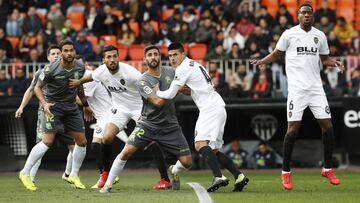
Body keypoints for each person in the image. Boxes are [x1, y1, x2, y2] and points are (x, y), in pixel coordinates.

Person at [250, 3, 343, 190]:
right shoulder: (289, 34)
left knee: (328, 127)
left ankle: (327, 168)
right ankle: (286, 172)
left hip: (316, 89)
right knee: (292, 130)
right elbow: (277, 54)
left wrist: (335, 63)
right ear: (298, 16)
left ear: (313, 16)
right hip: (297, 90)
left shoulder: (320, 36)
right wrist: (262, 61)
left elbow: (324, 60)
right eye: (303, 13)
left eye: (309, 12)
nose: (307, 15)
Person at [68, 46, 172, 190]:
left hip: (138, 108)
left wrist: (156, 97)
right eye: (109, 57)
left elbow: (146, 83)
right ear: (104, 60)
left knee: (152, 141)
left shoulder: (130, 73)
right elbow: (90, 77)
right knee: (106, 138)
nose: (112, 60)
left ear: (118, 57)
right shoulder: (101, 71)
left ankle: (165, 179)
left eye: (114, 56)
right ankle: (105, 173)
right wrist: (78, 82)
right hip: (120, 109)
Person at [98, 45, 192, 193]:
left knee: (187, 162)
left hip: (170, 126)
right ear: (144, 59)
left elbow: (187, 91)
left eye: (156, 54)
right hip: (148, 125)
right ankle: (107, 186)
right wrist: (174, 89)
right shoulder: (143, 80)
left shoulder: (171, 72)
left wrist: (181, 88)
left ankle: (173, 170)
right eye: (150, 55)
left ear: (160, 57)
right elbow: (157, 102)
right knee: (126, 151)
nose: (153, 57)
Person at [156, 42, 249, 192]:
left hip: (209, 109)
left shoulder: (183, 68)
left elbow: (169, 94)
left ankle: (218, 176)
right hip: (218, 106)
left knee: (200, 144)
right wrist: (185, 91)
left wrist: (156, 91)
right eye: (170, 55)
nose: (172, 58)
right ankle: (239, 176)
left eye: (175, 55)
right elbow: (197, 89)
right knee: (213, 150)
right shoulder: (195, 64)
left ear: (183, 54)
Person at [18, 40, 89, 191]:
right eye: (66, 51)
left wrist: (86, 105)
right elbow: (36, 88)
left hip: (70, 107)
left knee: (81, 142)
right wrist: (44, 104)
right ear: (62, 53)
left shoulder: (80, 67)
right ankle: (25, 173)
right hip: (52, 107)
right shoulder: (50, 69)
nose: (69, 53)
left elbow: (79, 87)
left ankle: (74, 175)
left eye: (71, 50)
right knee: (47, 142)